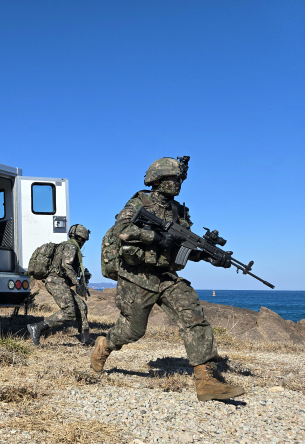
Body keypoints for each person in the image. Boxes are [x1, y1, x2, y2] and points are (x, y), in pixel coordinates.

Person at [91, 157, 244, 401]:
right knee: (133, 330)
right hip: (137, 276)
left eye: (178, 178)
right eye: (171, 178)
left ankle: (206, 381)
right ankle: (105, 344)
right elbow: (121, 231)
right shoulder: (141, 201)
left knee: (194, 317)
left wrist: (209, 257)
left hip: (166, 275)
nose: (176, 183)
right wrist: (156, 238)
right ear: (157, 179)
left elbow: (184, 249)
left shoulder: (180, 212)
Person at [27, 224, 91, 346]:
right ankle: (37, 327)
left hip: (59, 281)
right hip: (55, 281)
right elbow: (66, 265)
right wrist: (76, 282)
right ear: (81, 238)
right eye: (84, 240)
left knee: (81, 306)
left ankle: (86, 339)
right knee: (69, 311)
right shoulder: (72, 246)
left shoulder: (66, 246)